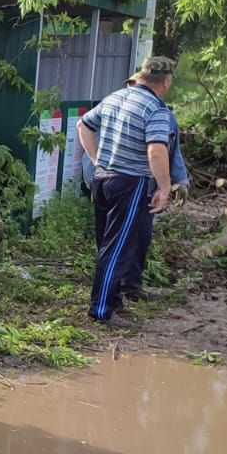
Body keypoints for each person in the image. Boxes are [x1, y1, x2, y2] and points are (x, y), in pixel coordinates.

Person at [75, 55, 182, 322]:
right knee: (117, 249)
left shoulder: (114, 97)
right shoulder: (156, 109)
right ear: (166, 83)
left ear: (141, 76)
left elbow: (84, 125)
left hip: (103, 180)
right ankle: (101, 311)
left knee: (107, 245)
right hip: (129, 183)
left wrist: (97, 159)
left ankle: (113, 300)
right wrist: (165, 188)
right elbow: (156, 151)